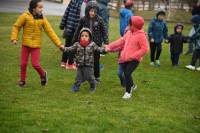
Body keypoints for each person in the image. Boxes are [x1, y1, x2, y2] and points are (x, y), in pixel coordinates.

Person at [10, 0, 64, 87]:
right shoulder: (25, 16)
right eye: (40, 7)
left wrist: (59, 44)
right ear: (33, 8)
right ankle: (22, 81)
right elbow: (16, 26)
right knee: (23, 64)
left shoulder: (42, 18)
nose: (42, 9)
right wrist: (14, 38)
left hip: (36, 46)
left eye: (42, 7)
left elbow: (50, 32)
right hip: (25, 45)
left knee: (35, 64)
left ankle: (43, 75)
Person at [105, 16, 149, 99]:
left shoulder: (141, 36)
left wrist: (134, 56)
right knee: (125, 73)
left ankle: (128, 92)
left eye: (130, 24)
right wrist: (109, 46)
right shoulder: (128, 33)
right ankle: (132, 85)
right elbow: (121, 41)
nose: (128, 25)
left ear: (134, 25)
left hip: (134, 59)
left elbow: (145, 49)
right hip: (125, 58)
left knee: (127, 73)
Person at [73, 0, 109, 83]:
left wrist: (106, 43)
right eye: (91, 11)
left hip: (96, 44)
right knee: (85, 61)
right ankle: (84, 76)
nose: (92, 13)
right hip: (86, 43)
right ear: (87, 10)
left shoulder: (100, 20)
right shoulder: (83, 19)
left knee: (96, 61)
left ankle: (97, 77)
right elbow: (78, 30)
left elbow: (104, 31)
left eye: (94, 11)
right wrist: (74, 40)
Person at [64, 28, 106, 92]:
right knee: (78, 78)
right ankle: (76, 87)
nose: (84, 37)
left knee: (89, 77)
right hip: (79, 65)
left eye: (86, 36)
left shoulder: (92, 45)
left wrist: (104, 50)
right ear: (80, 36)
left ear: (89, 37)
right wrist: (63, 48)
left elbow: (99, 49)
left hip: (89, 65)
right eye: (82, 36)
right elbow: (70, 49)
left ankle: (93, 85)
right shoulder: (77, 44)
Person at [59, 0, 84, 69]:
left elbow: (84, 16)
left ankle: (67, 62)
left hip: (74, 28)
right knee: (70, 44)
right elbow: (67, 12)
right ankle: (66, 62)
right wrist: (62, 24)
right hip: (72, 28)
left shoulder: (81, 2)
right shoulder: (76, 2)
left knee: (71, 45)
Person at [118, 0, 134, 87]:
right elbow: (131, 25)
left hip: (123, 34)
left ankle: (129, 84)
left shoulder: (122, 11)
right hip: (127, 35)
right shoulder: (130, 14)